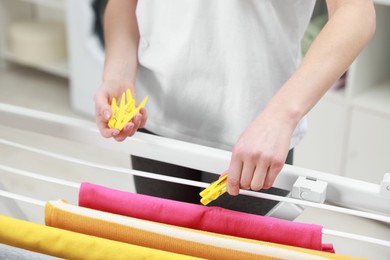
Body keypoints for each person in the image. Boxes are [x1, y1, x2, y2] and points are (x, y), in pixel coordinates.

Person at [94, 0, 376, 215]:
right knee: (158, 249)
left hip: (257, 136)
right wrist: (118, 73)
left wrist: (281, 116)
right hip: (154, 118)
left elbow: (356, 13)